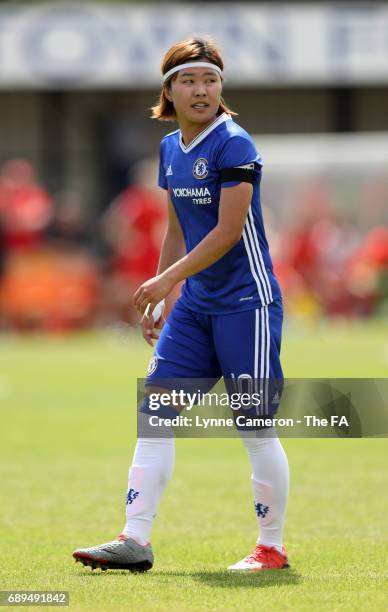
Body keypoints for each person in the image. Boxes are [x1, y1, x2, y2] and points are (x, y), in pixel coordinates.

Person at [73, 37, 290, 573]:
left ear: (222, 89)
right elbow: (177, 228)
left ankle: (271, 547)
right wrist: (165, 296)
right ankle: (135, 540)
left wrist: (163, 280)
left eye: (210, 80)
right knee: (155, 411)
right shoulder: (171, 149)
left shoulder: (234, 144)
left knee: (253, 424)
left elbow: (225, 233)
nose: (201, 90)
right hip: (196, 304)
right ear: (168, 90)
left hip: (247, 304)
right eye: (189, 80)